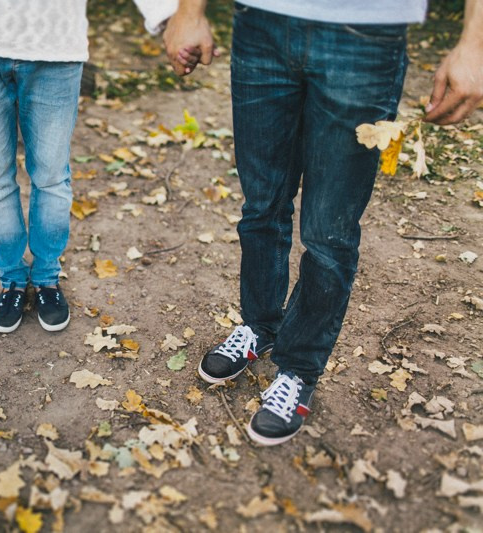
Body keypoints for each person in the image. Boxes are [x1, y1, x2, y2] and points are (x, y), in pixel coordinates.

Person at [163, 0, 483, 445]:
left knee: (328, 232)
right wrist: (188, 11)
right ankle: (260, 327)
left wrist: (476, 40)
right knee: (262, 207)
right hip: (261, 23)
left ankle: (297, 370)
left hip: (365, 35)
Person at [0, 0, 178, 334]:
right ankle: (12, 281)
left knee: (51, 176)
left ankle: (46, 278)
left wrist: (171, 17)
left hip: (54, 42)